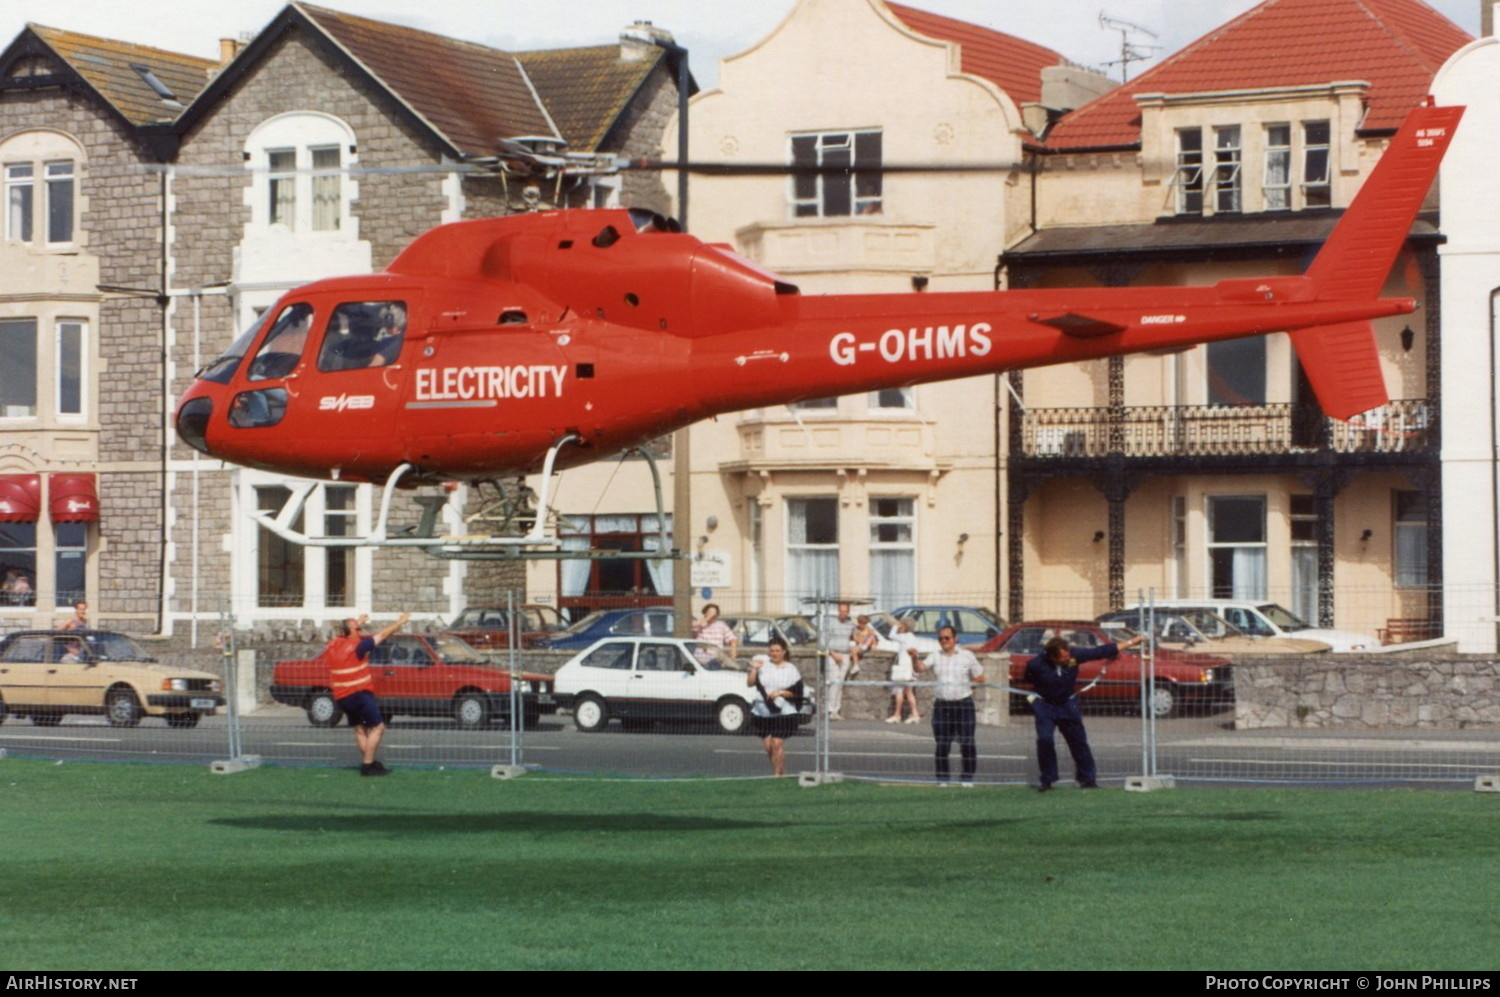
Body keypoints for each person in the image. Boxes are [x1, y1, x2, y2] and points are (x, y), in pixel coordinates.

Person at [1024, 632, 1145, 791]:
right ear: (1052, 657)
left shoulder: (1074, 655)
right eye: (1063, 658)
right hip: (1046, 706)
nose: (1067, 660)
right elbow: (1028, 679)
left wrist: (1132, 641)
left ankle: (1088, 780)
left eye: (1068, 656)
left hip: (1068, 704)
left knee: (1079, 742)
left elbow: (1100, 651)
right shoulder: (1035, 664)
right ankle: (1048, 779)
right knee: (1045, 740)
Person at [323, 611, 411, 776]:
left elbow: (347, 631)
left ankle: (370, 762)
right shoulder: (359, 646)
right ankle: (368, 765)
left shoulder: (334, 644)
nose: (361, 632)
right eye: (359, 629)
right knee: (378, 727)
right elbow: (383, 634)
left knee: (360, 729)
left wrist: (357, 621)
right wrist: (400, 622)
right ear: (352, 632)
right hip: (359, 694)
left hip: (342, 697)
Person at [913, 625, 984, 786]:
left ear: (955, 639)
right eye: (940, 638)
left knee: (967, 742)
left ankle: (967, 778)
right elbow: (920, 668)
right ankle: (942, 779)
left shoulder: (967, 656)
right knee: (942, 744)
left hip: (963, 705)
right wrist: (913, 657)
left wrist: (967, 688)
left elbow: (980, 676)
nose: (944, 641)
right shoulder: (935, 656)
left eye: (947, 638)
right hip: (942, 707)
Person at [748, 637, 803, 777]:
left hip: (784, 711)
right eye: (772, 651)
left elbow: (797, 691)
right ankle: (779, 771)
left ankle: (777, 775)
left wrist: (780, 692)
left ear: (784, 651)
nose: (774, 653)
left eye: (778, 650)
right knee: (768, 746)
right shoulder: (763, 666)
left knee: (776, 743)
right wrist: (754, 669)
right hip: (763, 710)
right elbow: (750, 683)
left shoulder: (791, 669)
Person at [820, 602, 855, 720]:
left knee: (840, 683)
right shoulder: (830, 623)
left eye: (845, 611)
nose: (843, 613)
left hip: (845, 654)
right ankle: (830, 709)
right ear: (838, 611)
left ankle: (836, 709)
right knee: (834, 681)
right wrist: (832, 653)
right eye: (841, 611)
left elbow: (853, 639)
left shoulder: (850, 624)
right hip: (832, 653)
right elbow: (823, 640)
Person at [884, 617, 921, 724]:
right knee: (909, 693)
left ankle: (897, 715)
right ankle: (915, 714)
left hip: (903, 668)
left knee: (899, 692)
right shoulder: (913, 638)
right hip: (910, 668)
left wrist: (896, 625)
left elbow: (891, 636)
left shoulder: (904, 637)